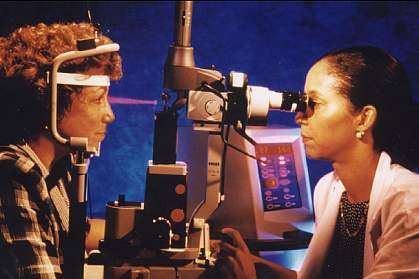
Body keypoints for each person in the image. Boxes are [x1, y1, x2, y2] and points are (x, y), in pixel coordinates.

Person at [212, 46, 419, 278]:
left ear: (364, 118)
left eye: (314, 104)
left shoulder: (410, 205)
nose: (299, 116)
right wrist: (251, 263)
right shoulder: (329, 189)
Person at [0, 22, 122, 278]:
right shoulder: (13, 175)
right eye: (98, 99)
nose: (109, 114)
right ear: (50, 103)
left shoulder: (57, 166)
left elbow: (76, 231)